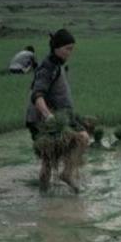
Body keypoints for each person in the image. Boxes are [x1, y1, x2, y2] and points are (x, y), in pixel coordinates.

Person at [25, 29, 88, 192]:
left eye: (72, 49)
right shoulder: (48, 67)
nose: (70, 53)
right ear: (57, 48)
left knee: (48, 158)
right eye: (67, 48)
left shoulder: (56, 65)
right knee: (82, 137)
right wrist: (49, 116)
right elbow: (37, 95)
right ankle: (66, 174)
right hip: (44, 118)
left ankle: (43, 194)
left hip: (58, 115)